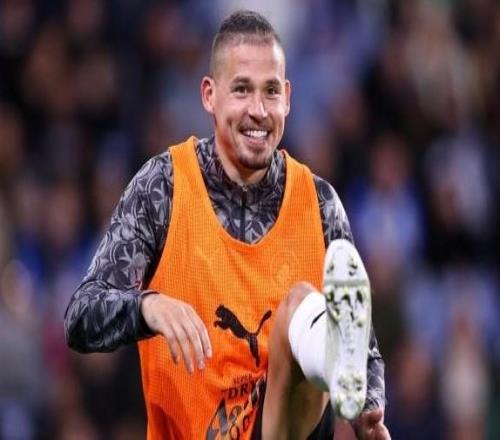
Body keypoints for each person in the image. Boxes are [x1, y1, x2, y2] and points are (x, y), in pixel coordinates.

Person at [65, 10, 390, 439]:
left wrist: (368, 409)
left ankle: (321, 353)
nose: (258, 110)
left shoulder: (320, 205)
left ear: (288, 98)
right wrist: (148, 306)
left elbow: (363, 347)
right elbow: (81, 316)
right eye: (241, 90)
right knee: (301, 308)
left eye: (270, 91)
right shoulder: (164, 188)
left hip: (288, 425)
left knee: (301, 306)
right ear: (209, 95)